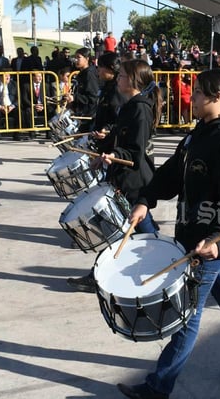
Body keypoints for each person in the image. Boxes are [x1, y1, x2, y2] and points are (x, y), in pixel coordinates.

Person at [117, 68, 220, 399]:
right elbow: (173, 172)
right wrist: (146, 200)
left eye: (200, 92)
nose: (193, 97)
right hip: (192, 236)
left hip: (208, 244)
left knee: (186, 315)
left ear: (217, 98)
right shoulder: (198, 132)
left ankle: (158, 387)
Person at [67, 59, 162, 293]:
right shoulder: (130, 105)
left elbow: (135, 151)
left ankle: (102, 274)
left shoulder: (139, 108)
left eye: (121, 76)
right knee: (132, 227)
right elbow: (123, 138)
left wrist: (115, 154)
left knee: (118, 225)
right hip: (124, 175)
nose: (118, 78)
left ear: (133, 80)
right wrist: (106, 148)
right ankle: (161, 261)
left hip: (133, 178)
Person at [64, 48, 100, 133]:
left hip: (88, 115)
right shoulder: (81, 73)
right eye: (75, 57)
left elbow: (92, 97)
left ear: (87, 59)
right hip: (80, 113)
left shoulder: (90, 74)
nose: (76, 60)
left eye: (78, 57)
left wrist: (74, 98)